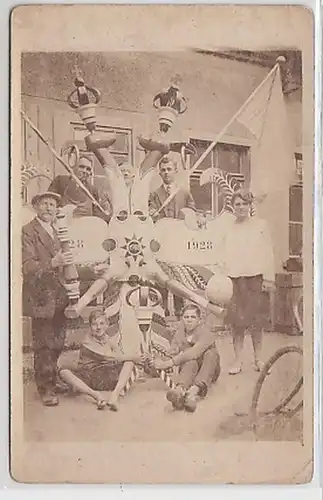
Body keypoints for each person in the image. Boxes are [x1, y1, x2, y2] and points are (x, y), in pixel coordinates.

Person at [22, 191, 73, 406]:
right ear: (35, 206)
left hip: (59, 295)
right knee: (43, 344)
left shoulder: (57, 231)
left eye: (53, 204)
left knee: (58, 342)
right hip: (40, 296)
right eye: (44, 204)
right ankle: (45, 389)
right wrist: (54, 262)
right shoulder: (27, 231)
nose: (49, 208)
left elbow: (67, 263)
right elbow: (27, 266)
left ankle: (51, 380)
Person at [219, 190, 275, 375]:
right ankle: (238, 360)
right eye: (237, 204)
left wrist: (268, 278)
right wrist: (222, 276)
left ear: (250, 206)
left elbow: (268, 252)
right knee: (238, 323)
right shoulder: (228, 228)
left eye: (244, 204)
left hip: (255, 279)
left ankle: (258, 359)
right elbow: (223, 255)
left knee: (256, 322)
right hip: (235, 280)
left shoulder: (260, 225)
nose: (241, 207)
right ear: (232, 207)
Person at [59, 310, 145, 411]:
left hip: (105, 375)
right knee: (63, 372)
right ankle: (95, 395)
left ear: (107, 325)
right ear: (90, 326)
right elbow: (108, 357)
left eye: (101, 323)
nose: (98, 327)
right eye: (94, 324)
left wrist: (133, 357)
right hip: (89, 375)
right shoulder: (86, 341)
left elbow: (119, 354)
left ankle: (114, 396)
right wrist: (133, 357)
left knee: (129, 363)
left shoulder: (106, 338)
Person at [153, 304, 221, 413]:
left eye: (193, 317)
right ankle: (180, 391)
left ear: (199, 320)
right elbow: (172, 351)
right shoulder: (180, 333)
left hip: (209, 370)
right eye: (186, 317)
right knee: (190, 361)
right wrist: (159, 359)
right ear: (182, 319)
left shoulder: (207, 331)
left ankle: (193, 392)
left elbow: (194, 353)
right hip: (190, 369)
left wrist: (169, 363)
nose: (189, 320)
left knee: (210, 353)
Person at [48, 153, 111, 222]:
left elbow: (97, 215)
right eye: (81, 167)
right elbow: (49, 203)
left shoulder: (93, 190)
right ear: (74, 166)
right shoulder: (60, 181)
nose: (85, 171)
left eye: (88, 169)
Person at [148, 156, 196, 222]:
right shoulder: (154, 194)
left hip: (180, 229)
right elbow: (151, 213)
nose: (166, 172)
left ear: (175, 171)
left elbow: (192, 213)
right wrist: (153, 214)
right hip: (161, 230)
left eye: (169, 169)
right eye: (163, 170)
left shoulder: (185, 192)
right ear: (160, 174)